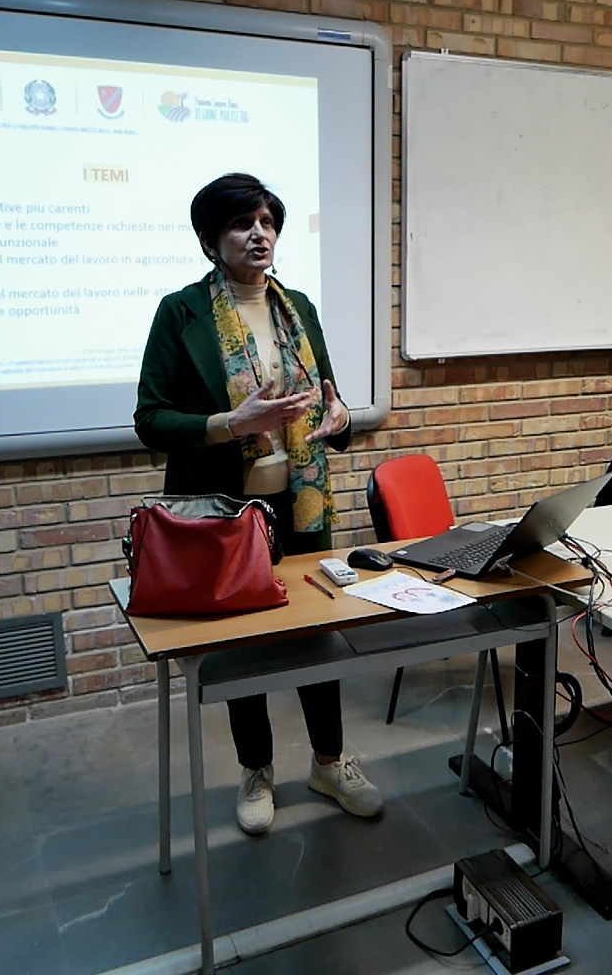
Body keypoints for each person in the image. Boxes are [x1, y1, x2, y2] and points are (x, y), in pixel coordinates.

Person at [135, 173, 382, 833]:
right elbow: (151, 419)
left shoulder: (296, 307)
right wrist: (229, 424)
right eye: (242, 224)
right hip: (225, 515)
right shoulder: (181, 313)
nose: (259, 234)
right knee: (243, 643)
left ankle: (328, 761)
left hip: (301, 507)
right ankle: (256, 769)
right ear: (210, 240)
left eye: (267, 222)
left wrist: (340, 416)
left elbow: (328, 397)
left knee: (315, 635)